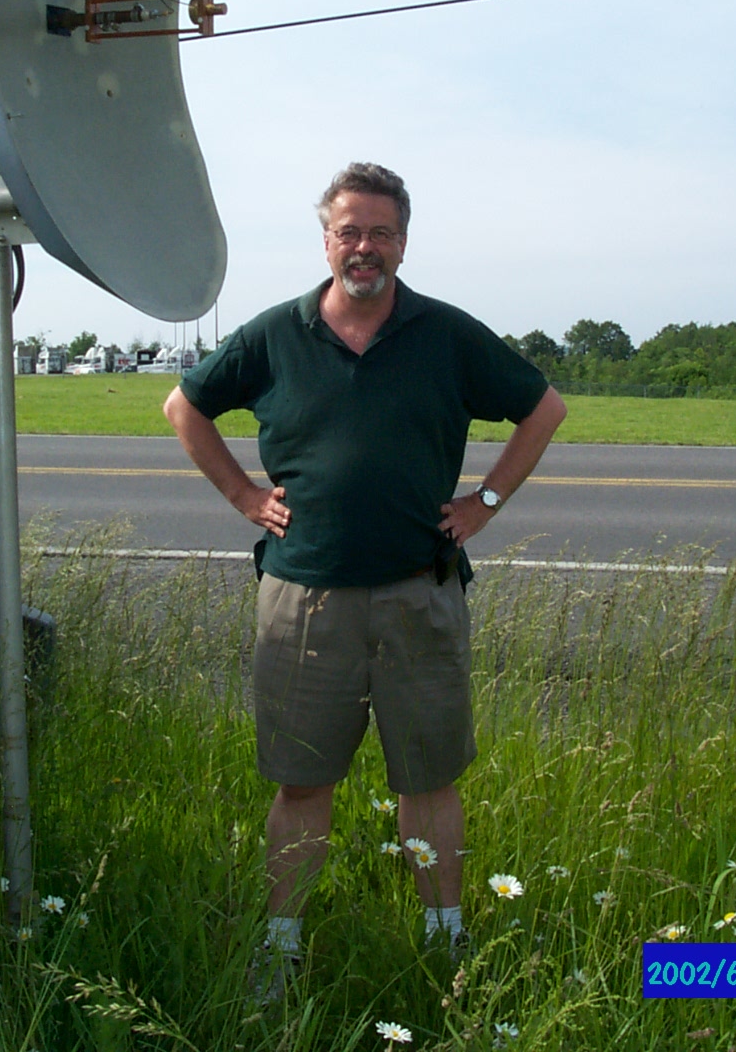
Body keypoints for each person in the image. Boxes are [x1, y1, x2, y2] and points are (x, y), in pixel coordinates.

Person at [163, 162, 566, 998]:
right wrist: (244, 496)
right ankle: (281, 947)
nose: (364, 247)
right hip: (302, 599)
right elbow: (184, 408)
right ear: (326, 241)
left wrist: (486, 501)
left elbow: (544, 408)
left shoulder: (445, 334)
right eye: (349, 231)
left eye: (381, 233)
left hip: (421, 593)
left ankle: (446, 940)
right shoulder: (274, 335)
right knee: (302, 779)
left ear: (403, 244)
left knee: (428, 779)